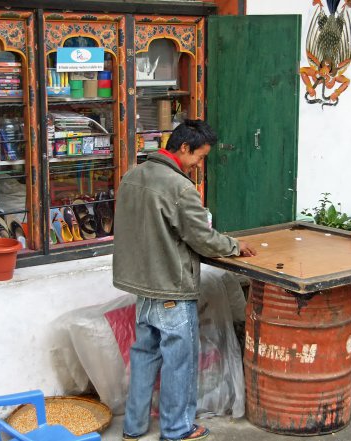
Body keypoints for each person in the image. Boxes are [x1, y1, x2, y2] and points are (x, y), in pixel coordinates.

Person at [113, 119, 256, 441]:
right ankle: (177, 429)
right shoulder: (179, 188)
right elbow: (201, 238)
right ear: (184, 148)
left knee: (144, 355)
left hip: (142, 285)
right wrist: (234, 245)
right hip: (170, 288)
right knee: (180, 362)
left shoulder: (133, 176)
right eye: (199, 157)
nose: (198, 164)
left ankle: (133, 428)